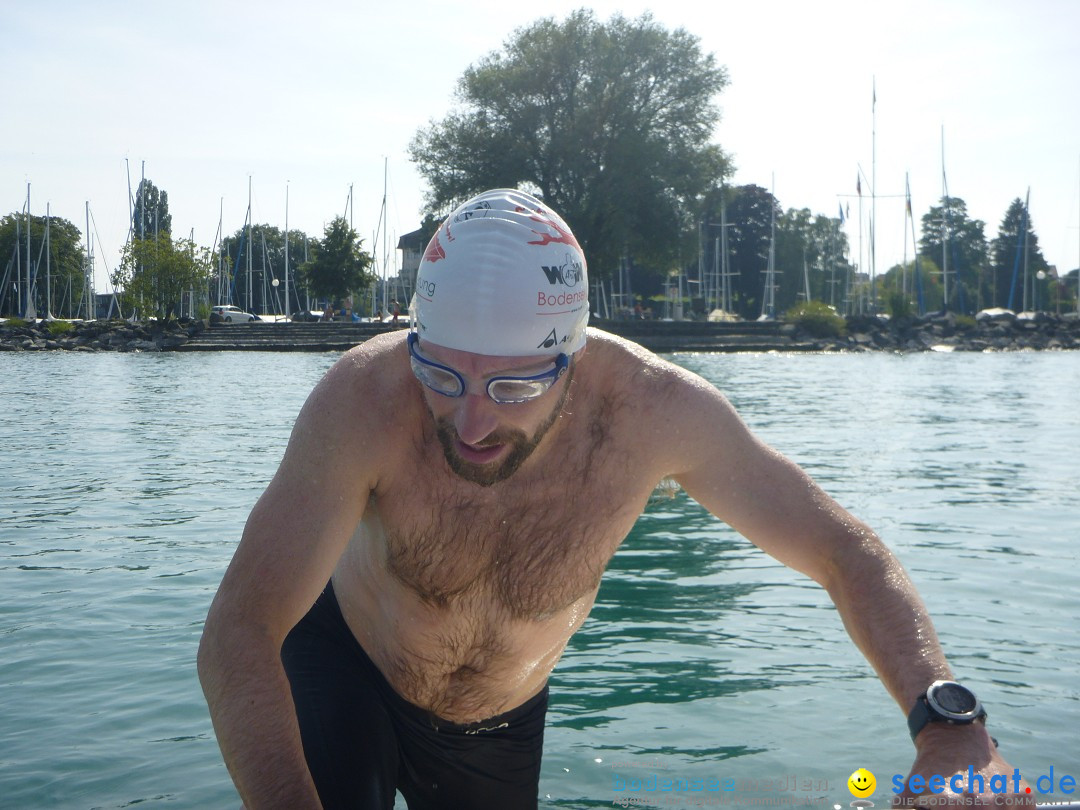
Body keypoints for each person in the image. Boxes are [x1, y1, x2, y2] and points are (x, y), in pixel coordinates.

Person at [198, 189, 1029, 810]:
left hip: (499, 713)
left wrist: (948, 727)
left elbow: (844, 553)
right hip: (353, 667)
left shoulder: (655, 414)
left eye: (516, 381)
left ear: (573, 356)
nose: (471, 419)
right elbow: (239, 632)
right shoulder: (365, 401)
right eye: (443, 374)